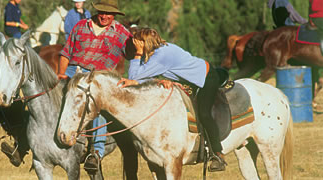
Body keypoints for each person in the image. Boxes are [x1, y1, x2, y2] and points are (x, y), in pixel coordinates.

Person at [117, 28, 227, 172]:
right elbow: (143, 78)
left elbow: (134, 77)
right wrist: (157, 80)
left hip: (206, 78)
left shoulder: (161, 56)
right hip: (191, 81)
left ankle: (218, 153)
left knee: (204, 114)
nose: (135, 46)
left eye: (138, 43)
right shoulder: (158, 51)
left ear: (145, 43)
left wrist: (137, 54)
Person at [58, 0, 134, 171]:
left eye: (109, 13)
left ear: (114, 14)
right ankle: (25, 141)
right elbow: (65, 53)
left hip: (99, 77)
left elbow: (135, 53)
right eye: (102, 12)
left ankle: (96, 152)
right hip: (74, 70)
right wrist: (61, 74)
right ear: (96, 10)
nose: (105, 16)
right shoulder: (80, 26)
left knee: (97, 101)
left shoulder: (122, 32)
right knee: (47, 93)